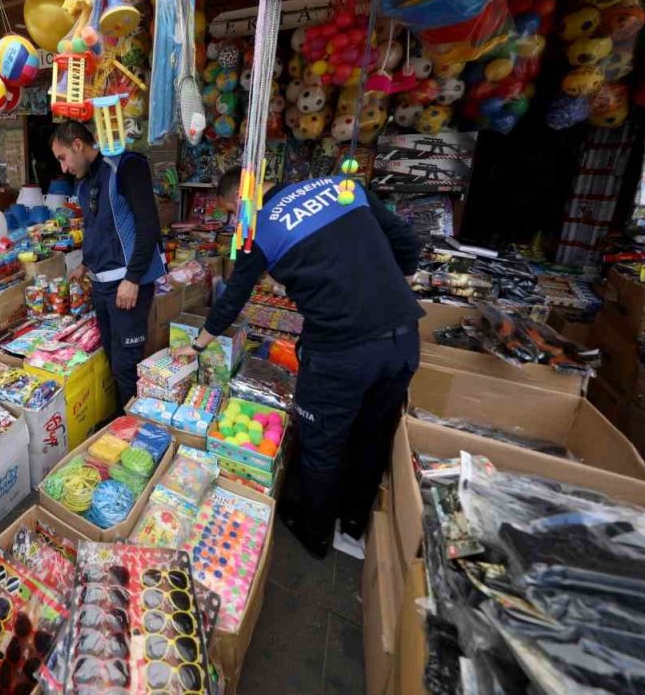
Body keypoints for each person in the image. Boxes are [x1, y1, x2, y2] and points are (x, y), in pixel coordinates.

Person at [174, 169, 423, 560]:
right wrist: (382, 288)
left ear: (240, 200)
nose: (230, 222)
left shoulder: (258, 227)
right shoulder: (341, 187)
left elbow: (234, 296)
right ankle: (353, 525)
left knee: (321, 442)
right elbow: (408, 244)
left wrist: (198, 344)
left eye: (228, 212)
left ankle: (315, 533)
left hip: (341, 350)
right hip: (402, 337)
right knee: (373, 434)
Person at [51, 122, 164, 409]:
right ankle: (119, 423)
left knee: (127, 363)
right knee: (114, 359)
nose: (63, 168)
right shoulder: (85, 182)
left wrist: (134, 278)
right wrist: (86, 264)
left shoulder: (126, 166)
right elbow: (97, 228)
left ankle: (134, 430)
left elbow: (148, 224)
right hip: (102, 287)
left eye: (63, 158)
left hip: (126, 285)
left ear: (78, 145)